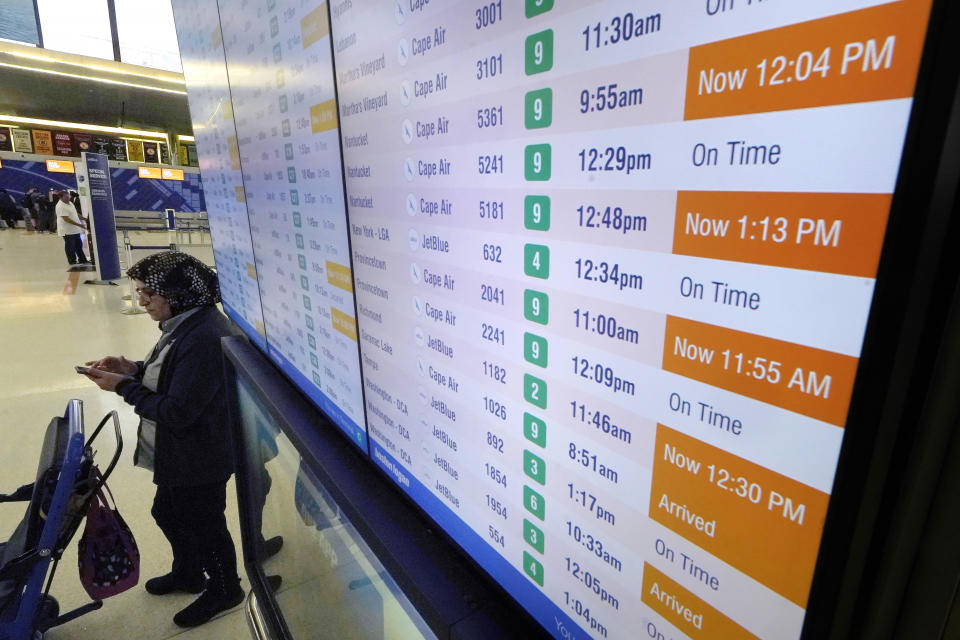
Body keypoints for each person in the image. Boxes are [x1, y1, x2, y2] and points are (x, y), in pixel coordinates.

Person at [83, 252, 244, 628]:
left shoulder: (203, 336)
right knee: (168, 512)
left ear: (176, 293)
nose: (141, 302)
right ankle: (188, 573)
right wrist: (134, 370)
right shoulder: (186, 323)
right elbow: (176, 378)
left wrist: (124, 387)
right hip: (182, 453)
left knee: (205, 525)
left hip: (199, 456)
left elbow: (176, 411)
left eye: (147, 294)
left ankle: (225, 588)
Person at [55, 191, 88, 265]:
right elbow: (66, 219)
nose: (68, 198)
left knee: (78, 245)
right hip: (67, 230)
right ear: (61, 197)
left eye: (68, 196)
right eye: (66, 197)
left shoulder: (70, 203)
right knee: (70, 246)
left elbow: (75, 213)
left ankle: (82, 259)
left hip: (75, 229)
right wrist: (79, 225)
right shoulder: (60, 206)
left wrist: (84, 219)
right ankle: (72, 261)